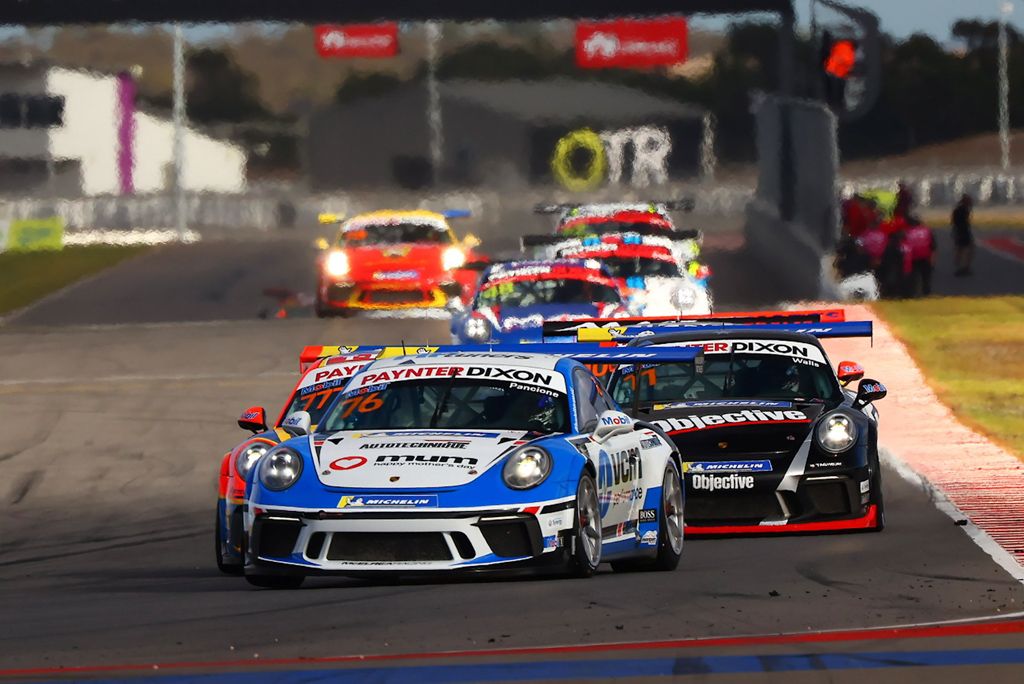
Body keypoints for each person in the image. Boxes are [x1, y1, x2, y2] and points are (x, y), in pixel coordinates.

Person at [902, 215, 937, 296]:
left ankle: (912, 292)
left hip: (912, 257)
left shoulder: (905, 232)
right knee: (926, 277)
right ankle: (926, 292)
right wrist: (933, 259)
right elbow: (933, 247)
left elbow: (902, 246)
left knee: (912, 276)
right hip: (925, 257)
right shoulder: (927, 231)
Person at [952, 194, 974, 276]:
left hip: (959, 231)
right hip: (963, 231)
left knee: (960, 249)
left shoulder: (958, 209)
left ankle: (961, 266)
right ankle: (964, 267)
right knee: (966, 249)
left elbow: (954, 222)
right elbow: (964, 222)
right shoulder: (963, 210)